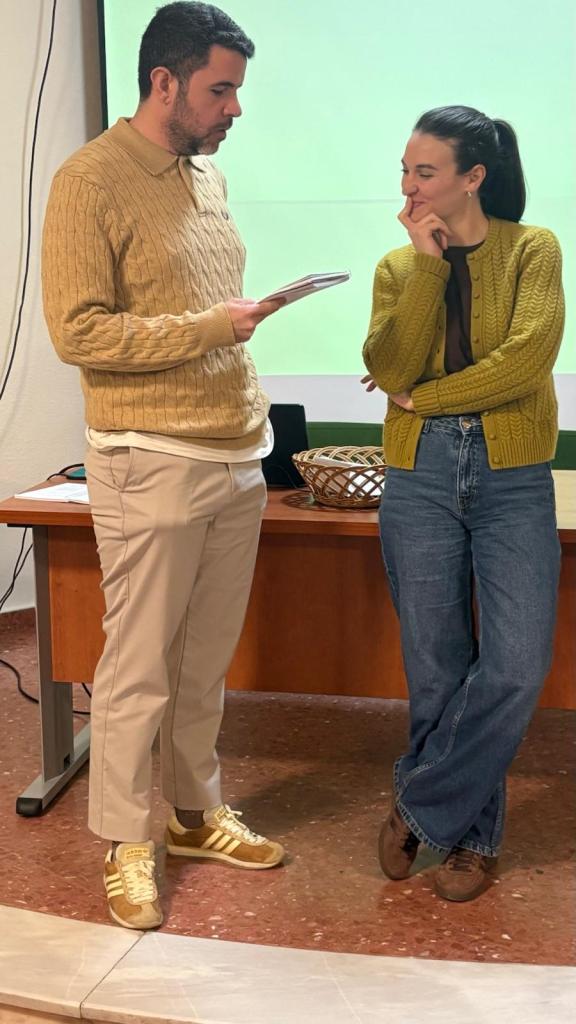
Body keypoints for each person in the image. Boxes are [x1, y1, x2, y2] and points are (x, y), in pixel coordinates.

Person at [41, 1, 286, 931]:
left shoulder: (204, 176)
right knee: (138, 665)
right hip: (149, 457)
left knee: (204, 660)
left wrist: (230, 338)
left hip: (235, 452)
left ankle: (191, 814)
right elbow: (80, 333)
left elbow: (203, 304)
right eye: (221, 90)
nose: (235, 109)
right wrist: (210, 329)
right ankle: (123, 842)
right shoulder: (89, 181)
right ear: (163, 83)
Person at [362, 105, 564, 902]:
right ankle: (471, 841)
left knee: (515, 666)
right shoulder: (398, 265)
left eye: (425, 172)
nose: (407, 187)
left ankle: (419, 807)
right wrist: (429, 267)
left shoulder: (533, 249)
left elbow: (524, 363)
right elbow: (388, 363)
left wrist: (428, 398)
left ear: (473, 177)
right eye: (404, 171)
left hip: (513, 473)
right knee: (436, 667)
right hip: (419, 474)